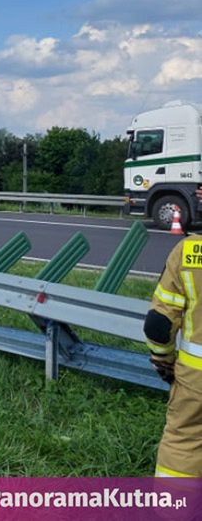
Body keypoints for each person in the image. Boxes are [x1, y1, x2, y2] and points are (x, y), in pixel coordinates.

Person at [145, 186, 202, 478]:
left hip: (195, 379)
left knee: (184, 442)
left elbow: (159, 322)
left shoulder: (189, 251)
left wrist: (163, 360)